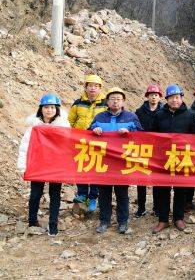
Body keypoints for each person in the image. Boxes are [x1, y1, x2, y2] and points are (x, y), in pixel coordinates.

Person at [91, 87, 143, 234]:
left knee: (122, 193)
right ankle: (104, 221)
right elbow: (87, 135)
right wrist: (93, 131)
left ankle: (123, 221)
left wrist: (130, 132)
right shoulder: (99, 117)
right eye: (112, 99)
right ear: (107, 101)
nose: (115, 101)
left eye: (118, 99)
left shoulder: (131, 117)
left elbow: (142, 136)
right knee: (104, 193)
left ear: (123, 101)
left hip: (122, 162)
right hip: (103, 161)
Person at [18, 94, 69, 236]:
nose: (49, 110)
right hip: (38, 164)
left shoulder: (63, 126)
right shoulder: (34, 127)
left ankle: (53, 224)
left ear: (57, 109)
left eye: (52, 107)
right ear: (41, 109)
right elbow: (25, 147)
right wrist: (22, 166)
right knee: (35, 194)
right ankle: (32, 221)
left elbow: (67, 147)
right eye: (46, 107)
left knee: (55, 194)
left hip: (55, 165)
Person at [151, 84, 195, 233]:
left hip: (182, 158)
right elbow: (152, 136)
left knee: (180, 189)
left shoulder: (190, 115)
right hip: (163, 159)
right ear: (166, 99)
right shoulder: (159, 115)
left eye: (177, 97)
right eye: (171, 98)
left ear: (181, 98)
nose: (175, 101)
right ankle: (163, 220)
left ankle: (178, 218)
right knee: (162, 190)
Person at [69, 74, 107, 212]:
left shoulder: (105, 103)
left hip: (99, 142)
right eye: (90, 85)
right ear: (85, 87)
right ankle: (82, 194)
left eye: (96, 86)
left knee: (96, 168)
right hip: (80, 142)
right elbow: (70, 121)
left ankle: (93, 197)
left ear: (100, 88)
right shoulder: (78, 103)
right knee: (81, 167)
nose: (93, 88)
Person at [134, 84, 164, 218]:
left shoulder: (165, 111)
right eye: (151, 95)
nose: (153, 97)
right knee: (141, 179)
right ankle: (141, 207)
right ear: (147, 96)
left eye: (156, 95)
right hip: (143, 148)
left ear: (159, 96)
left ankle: (157, 207)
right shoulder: (139, 112)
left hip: (158, 150)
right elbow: (135, 127)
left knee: (157, 179)